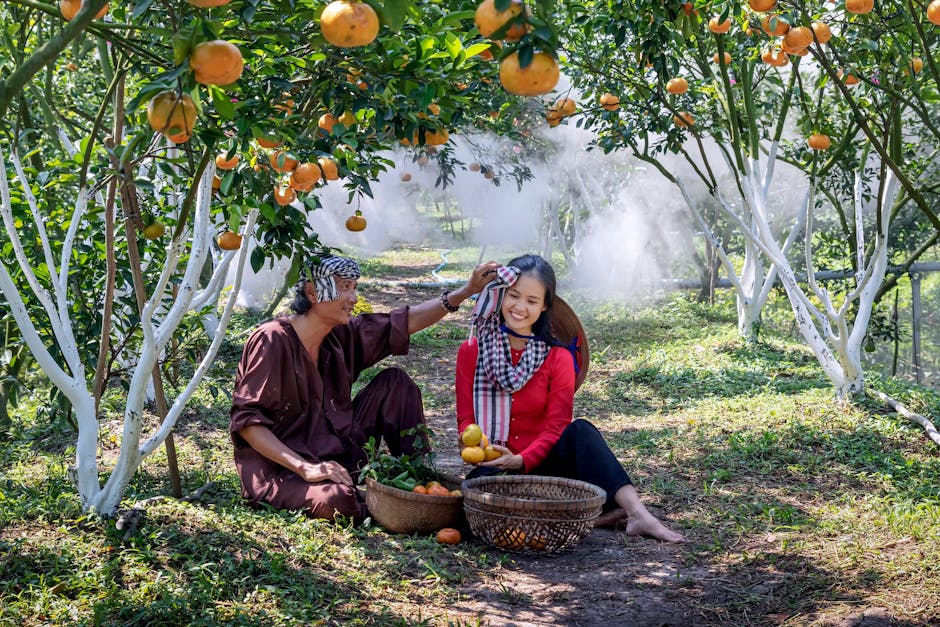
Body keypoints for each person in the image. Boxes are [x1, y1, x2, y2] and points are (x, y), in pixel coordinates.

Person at [230, 255, 499, 521]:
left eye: (354, 287)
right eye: (344, 287)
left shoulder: (339, 334)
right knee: (337, 501)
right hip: (283, 471)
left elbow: (404, 323)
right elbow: (248, 423)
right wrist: (305, 468)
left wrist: (466, 291)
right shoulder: (272, 339)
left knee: (396, 383)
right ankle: (382, 502)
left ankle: (423, 487)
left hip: (339, 458)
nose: (353, 298)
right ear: (312, 292)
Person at [455, 254, 685, 543]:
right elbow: (466, 418)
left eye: (532, 300)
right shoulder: (472, 351)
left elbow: (556, 426)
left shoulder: (558, 357)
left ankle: (638, 513)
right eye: (514, 296)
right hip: (496, 470)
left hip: (547, 466)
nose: (519, 307)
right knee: (469, 504)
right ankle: (592, 518)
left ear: (545, 306)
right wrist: (469, 439)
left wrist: (522, 459)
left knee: (581, 431)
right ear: (501, 294)